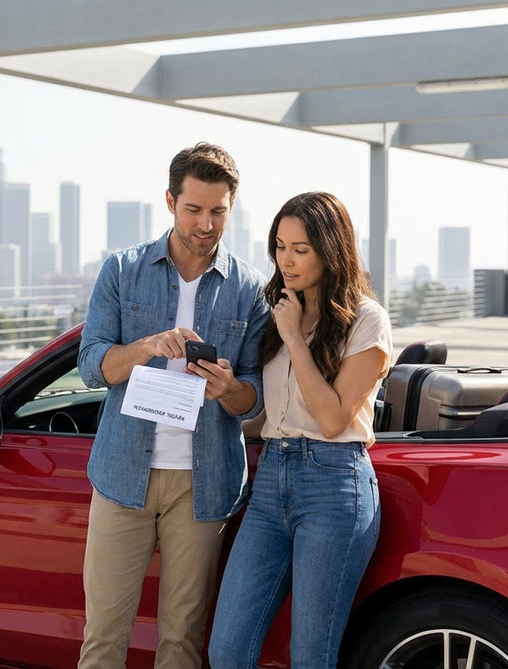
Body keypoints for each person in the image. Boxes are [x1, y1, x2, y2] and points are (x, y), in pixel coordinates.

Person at [76, 142, 270, 668]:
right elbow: (92, 363)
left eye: (218, 211)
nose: (206, 224)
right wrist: (146, 347)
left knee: (183, 642)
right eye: (194, 209)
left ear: (232, 207)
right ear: (169, 200)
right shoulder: (122, 269)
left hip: (202, 485)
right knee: (103, 637)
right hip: (122, 476)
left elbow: (255, 400)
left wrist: (229, 388)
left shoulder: (250, 289)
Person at [207, 191, 392, 669]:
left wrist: (293, 338)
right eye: (280, 246)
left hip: (334, 485)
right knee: (226, 649)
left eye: (300, 250)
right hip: (271, 480)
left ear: (330, 251)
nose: (285, 260)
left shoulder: (366, 321)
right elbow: (265, 414)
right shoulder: (277, 311)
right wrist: (227, 388)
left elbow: (333, 418)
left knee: (310, 656)